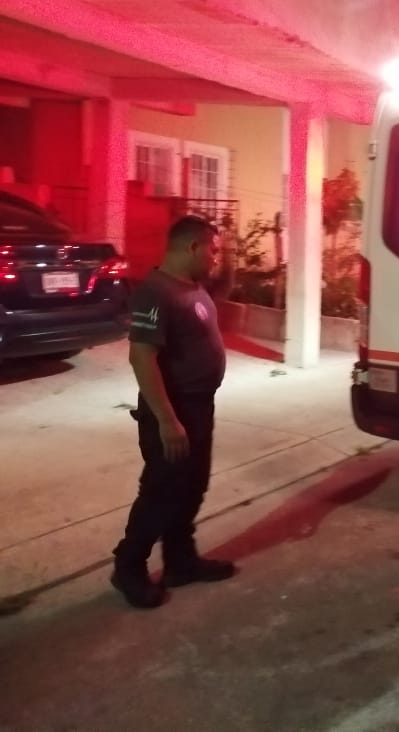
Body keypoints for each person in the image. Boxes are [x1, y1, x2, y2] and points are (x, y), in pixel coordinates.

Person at [111, 215, 235, 609]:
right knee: (161, 493)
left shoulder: (192, 287)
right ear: (192, 247)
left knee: (192, 486)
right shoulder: (155, 292)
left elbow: (224, 285)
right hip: (174, 409)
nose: (215, 258)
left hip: (200, 406)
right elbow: (142, 357)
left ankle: (181, 562)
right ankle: (128, 567)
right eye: (213, 250)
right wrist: (167, 420)